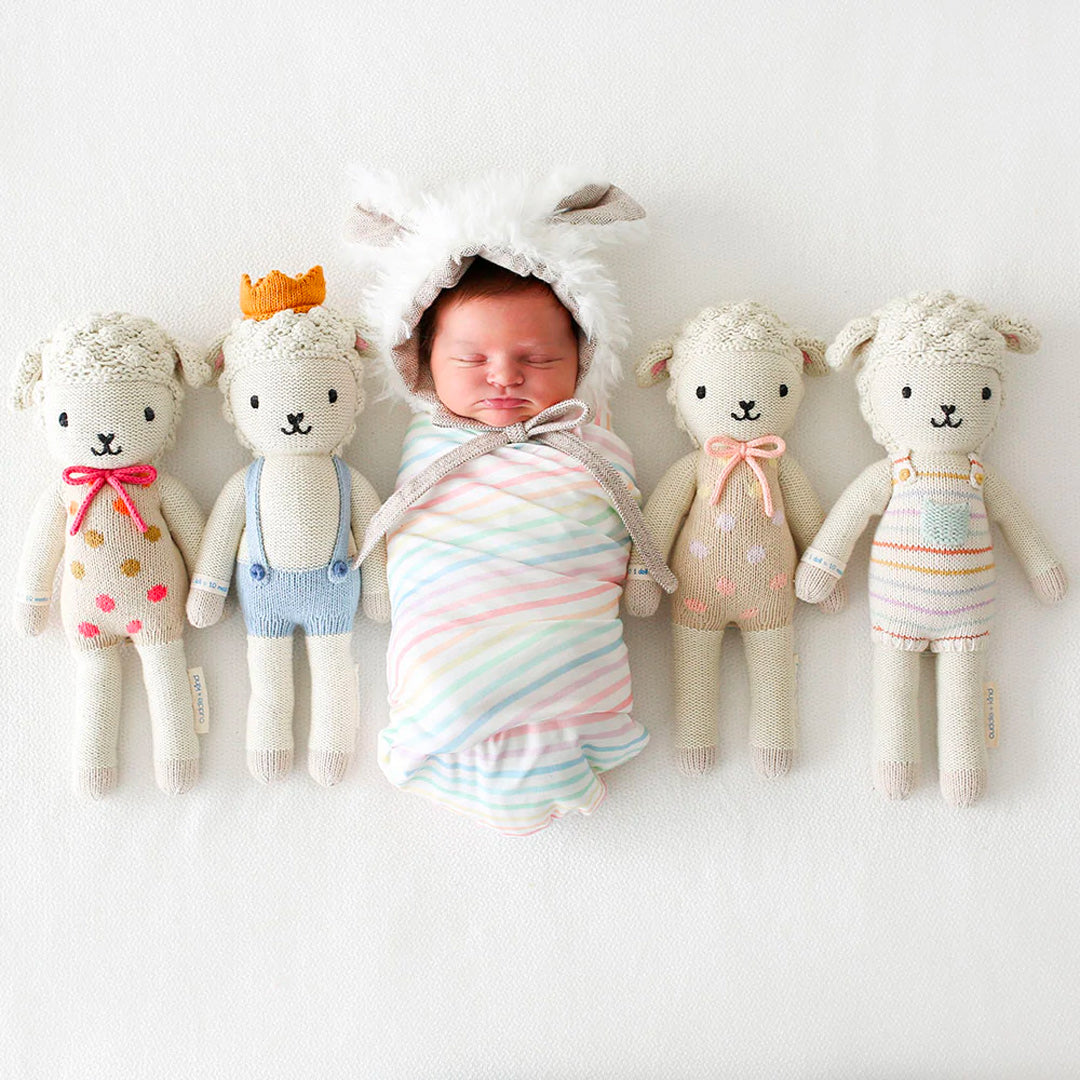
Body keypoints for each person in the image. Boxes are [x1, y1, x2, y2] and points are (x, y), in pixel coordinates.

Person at [348, 172, 675, 835]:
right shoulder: (430, 447)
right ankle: (454, 723)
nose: (504, 375)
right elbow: (416, 543)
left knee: (567, 662)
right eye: (472, 359)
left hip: (561, 636)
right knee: (443, 670)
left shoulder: (590, 444)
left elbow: (616, 525)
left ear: (582, 358)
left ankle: (559, 728)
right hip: (455, 640)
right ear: (424, 362)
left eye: (537, 357)